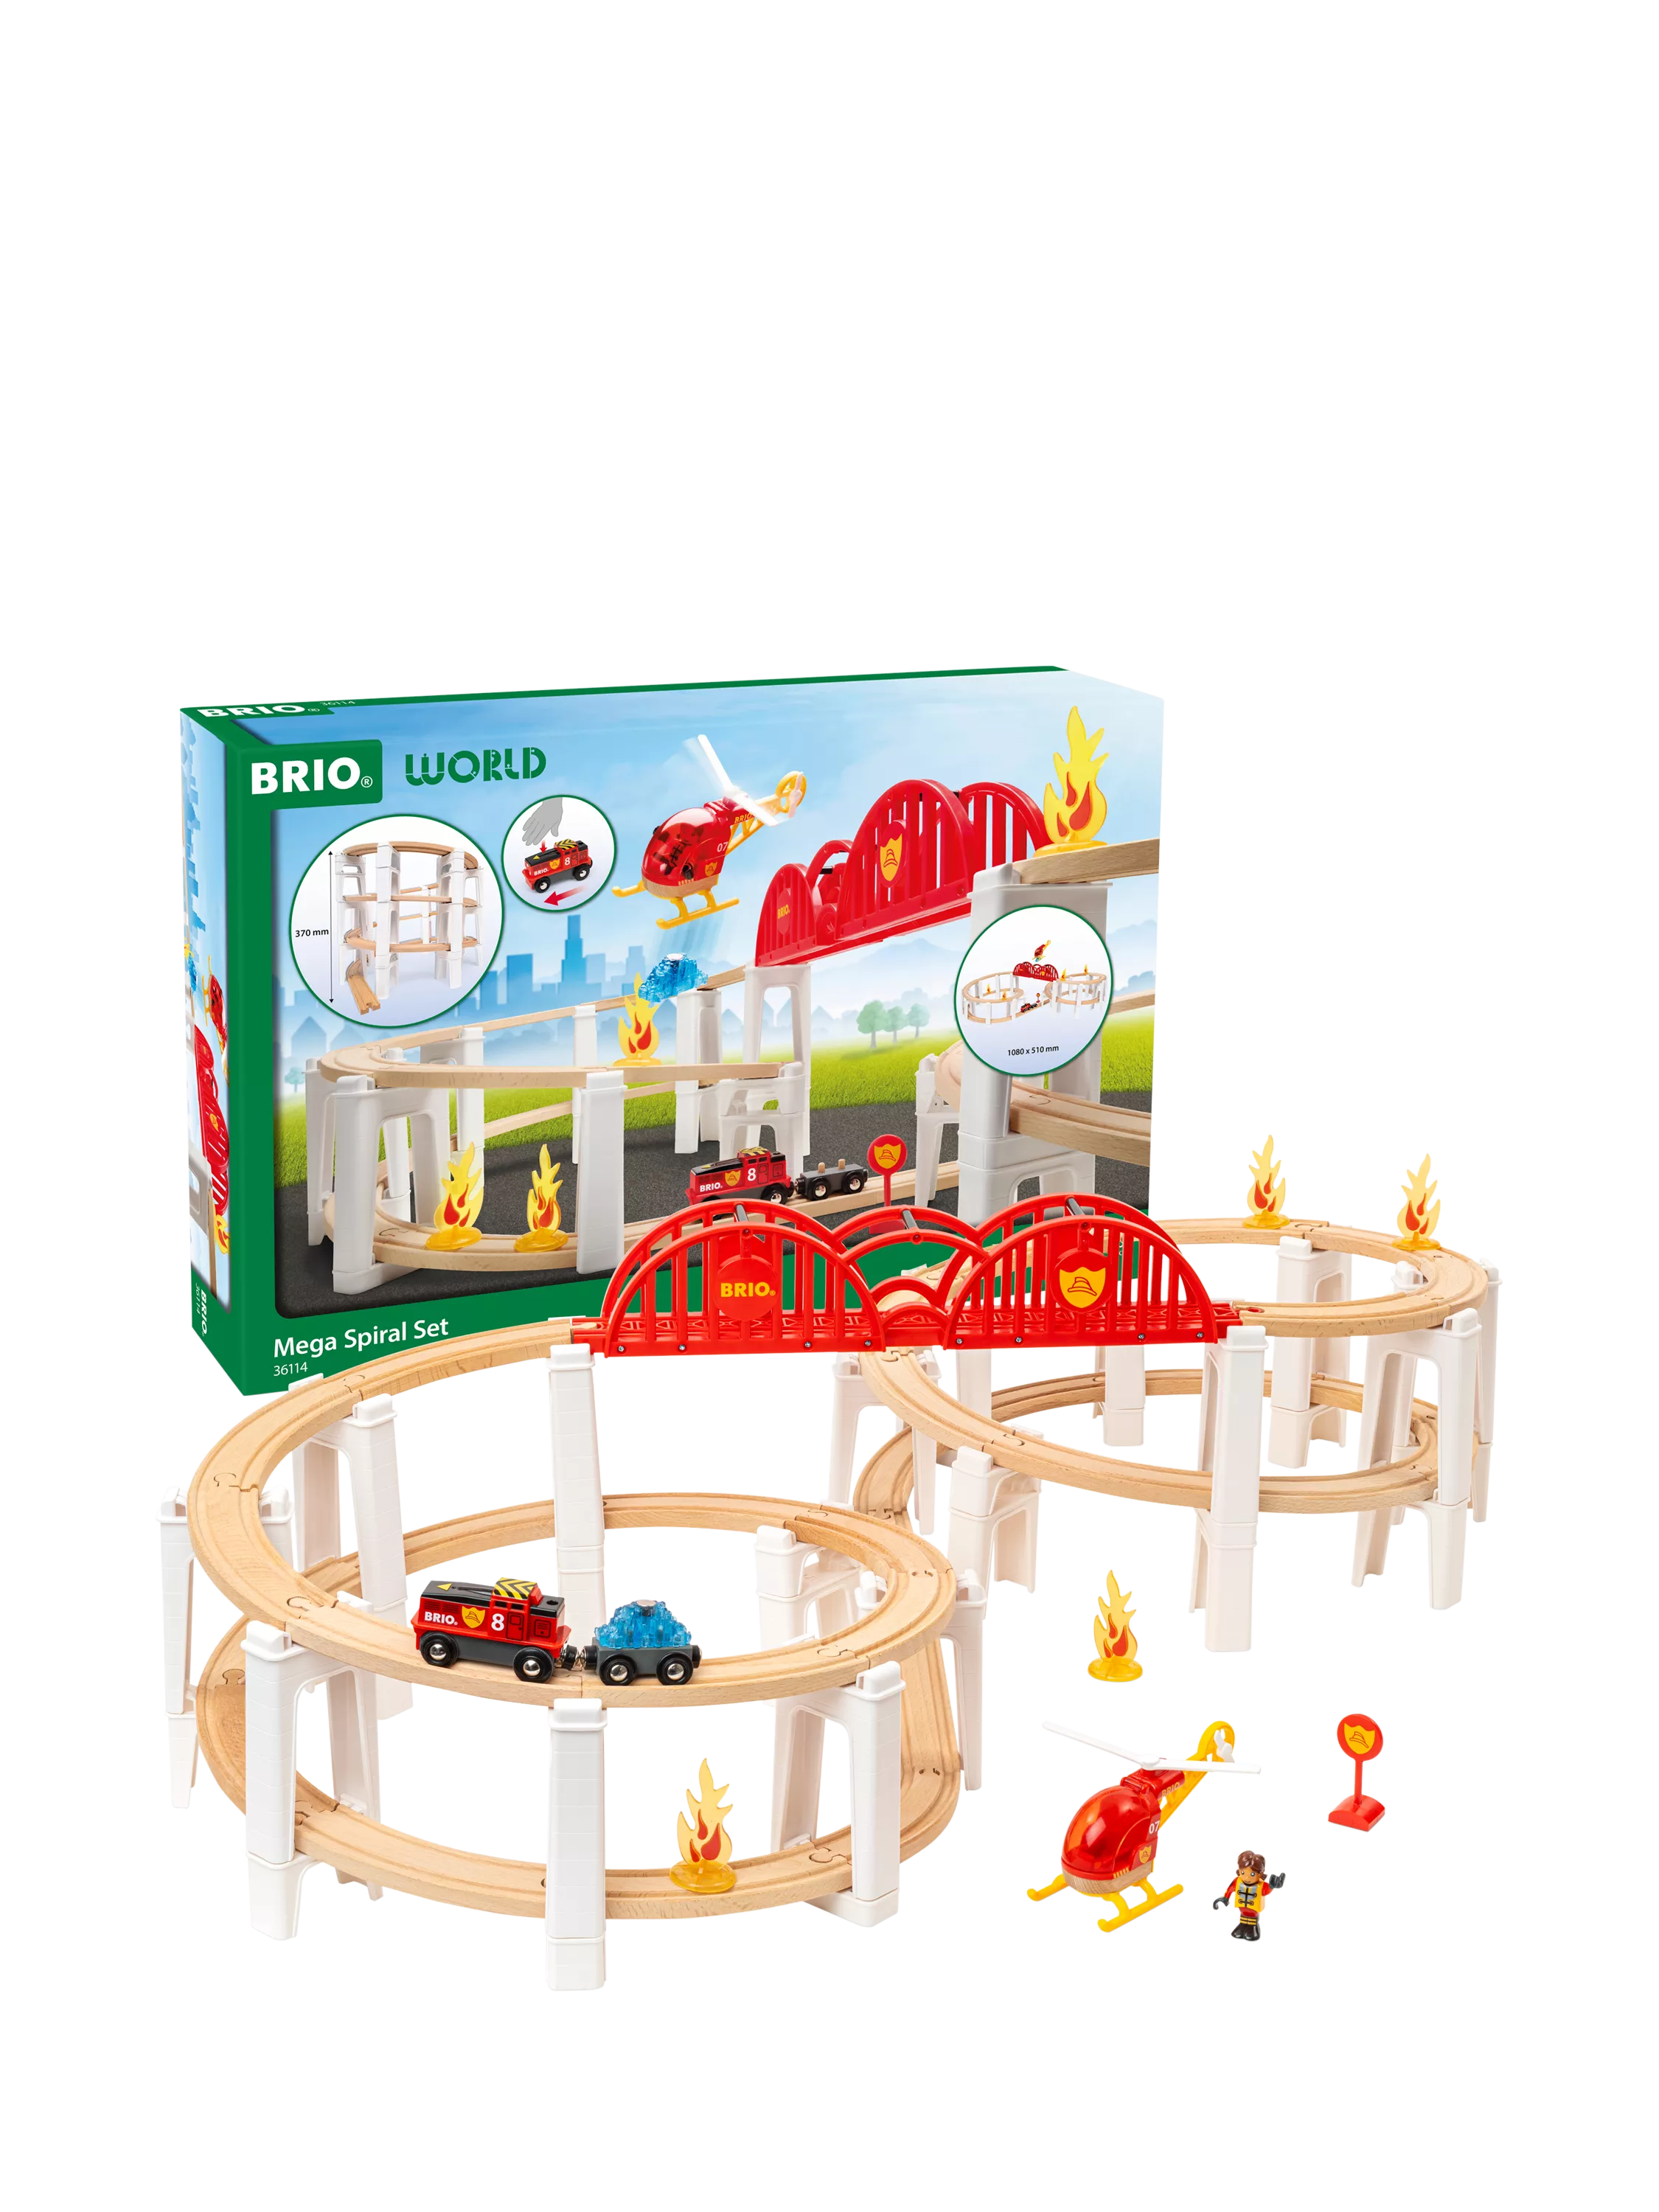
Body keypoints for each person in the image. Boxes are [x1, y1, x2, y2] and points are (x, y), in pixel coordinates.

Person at [1214, 1851, 1284, 1941]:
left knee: (1252, 1921)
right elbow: (1230, 1889)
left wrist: (1272, 1886)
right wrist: (1225, 1898)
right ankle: (1242, 1926)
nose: (1247, 1877)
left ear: (1261, 1873)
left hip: (1254, 1912)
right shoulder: (1237, 1882)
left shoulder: (1261, 1886)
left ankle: (1253, 1928)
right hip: (1242, 1909)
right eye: (1243, 1873)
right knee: (1243, 1918)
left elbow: (1266, 1890)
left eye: (1252, 1874)